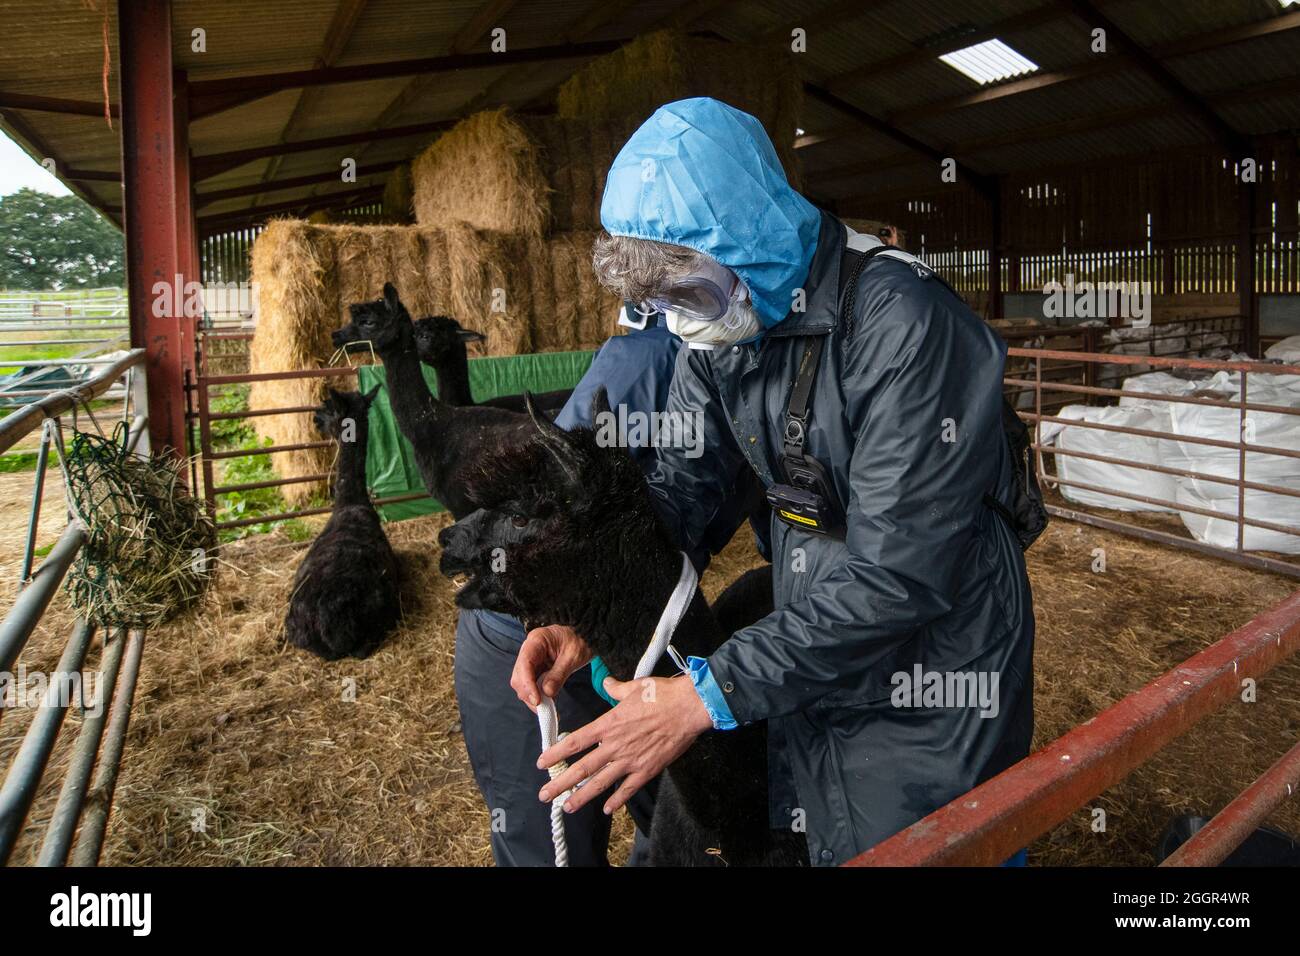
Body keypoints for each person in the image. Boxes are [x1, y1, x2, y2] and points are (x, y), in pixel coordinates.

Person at [515, 97, 1038, 866]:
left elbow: (901, 573)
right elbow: (680, 494)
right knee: (819, 823)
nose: (677, 321)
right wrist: (590, 609)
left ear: (748, 236)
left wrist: (706, 693)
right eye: (656, 303)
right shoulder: (725, 329)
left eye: (687, 292)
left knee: (928, 837)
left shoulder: (905, 325)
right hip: (810, 622)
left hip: (937, 654)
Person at [454, 305, 759, 866]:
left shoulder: (767, 374)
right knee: (556, 825)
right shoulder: (648, 364)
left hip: (633, 627)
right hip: (532, 626)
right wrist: (567, 622)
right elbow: (552, 511)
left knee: (674, 814)